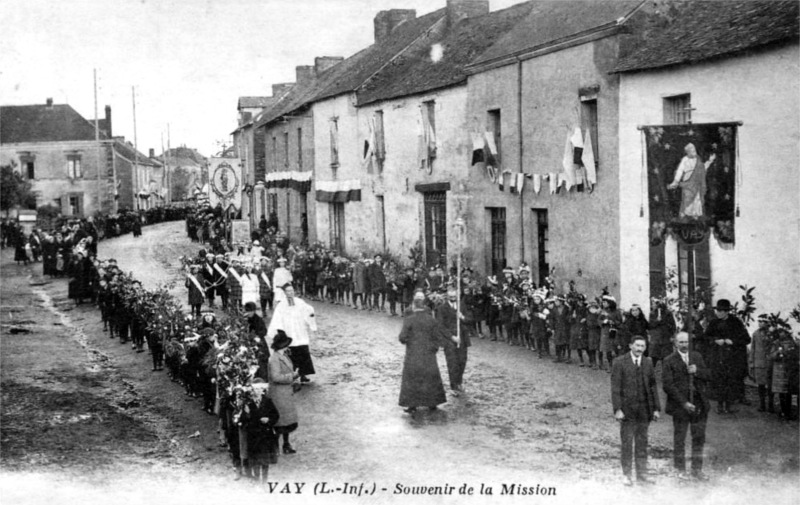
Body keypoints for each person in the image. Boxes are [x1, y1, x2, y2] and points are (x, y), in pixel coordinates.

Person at [611, 334, 661, 486]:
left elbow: (653, 387)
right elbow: (615, 388)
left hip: (644, 411)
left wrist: (656, 409)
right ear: (630, 346)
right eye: (637, 345)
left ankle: (642, 475)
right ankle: (626, 474)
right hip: (627, 411)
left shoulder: (647, 362)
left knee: (642, 443)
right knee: (627, 443)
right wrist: (618, 409)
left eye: (642, 346)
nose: (640, 349)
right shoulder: (619, 362)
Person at [662, 331, 710, 481]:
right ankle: (680, 469)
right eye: (681, 342)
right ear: (675, 343)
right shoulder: (669, 360)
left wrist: (698, 371)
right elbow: (668, 386)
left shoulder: (697, 357)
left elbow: (709, 375)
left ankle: (697, 469)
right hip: (680, 405)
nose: (684, 345)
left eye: (687, 342)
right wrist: (684, 403)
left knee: (698, 438)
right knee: (680, 437)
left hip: (699, 404)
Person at [398, 291, 458, 413]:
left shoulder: (409, 320)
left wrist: (409, 342)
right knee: (431, 377)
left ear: (414, 306)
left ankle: (412, 404)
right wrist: (434, 348)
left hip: (413, 353)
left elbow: (402, 337)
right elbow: (438, 337)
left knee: (412, 378)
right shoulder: (431, 320)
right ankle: (432, 402)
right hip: (429, 353)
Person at [702, 299, 750, 414]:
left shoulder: (736, 322)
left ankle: (729, 405)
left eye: (721, 311)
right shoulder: (713, 323)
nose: (718, 313)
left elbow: (747, 339)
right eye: (717, 310)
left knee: (730, 381)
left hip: (732, 358)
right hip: (718, 356)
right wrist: (715, 341)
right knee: (719, 380)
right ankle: (719, 405)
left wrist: (732, 341)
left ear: (726, 311)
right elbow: (705, 337)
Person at [267, 284, 317, 383]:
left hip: (300, 332)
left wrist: (311, 322)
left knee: (303, 353)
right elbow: (277, 319)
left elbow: (309, 310)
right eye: (288, 291)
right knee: (291, 355)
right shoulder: (281, 305)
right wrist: (280, 331)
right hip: (289, 332)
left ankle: (303, 374)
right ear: (285, 293)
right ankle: (292, 374)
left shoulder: (300, 302)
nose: (290, 293)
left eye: (292, 291)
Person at [236, 378, 280, 481]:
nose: (258, 391)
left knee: (265, 461)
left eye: (260, 388)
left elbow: (276, 415)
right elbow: (243, 421)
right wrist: (247, 414)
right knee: (255, 461)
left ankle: (264, 480)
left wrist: (269, 419)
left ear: (264, 390)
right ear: (252, 390)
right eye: (255, 389)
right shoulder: (248, 404)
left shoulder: (268, 401)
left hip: (265, 436)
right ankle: (257, 479)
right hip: (254, 436)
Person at [268, 330, 300, 454]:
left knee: (286, 422)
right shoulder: (275, 359)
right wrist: (292, 376)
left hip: (285, 393)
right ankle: (275, 448)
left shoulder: (283, 356)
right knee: (280, 422)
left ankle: (286, 445)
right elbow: (275, 377)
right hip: (279, 394)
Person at [435, 288, 471, 396]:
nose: (452, 298)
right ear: (447, 297)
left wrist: (462, 317)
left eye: (454, 296)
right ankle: (453, 386)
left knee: (462, 361)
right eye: (450, 297)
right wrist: (451, 337)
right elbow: (440, 326)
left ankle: (459, 382)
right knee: (452, 363)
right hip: (449, 340)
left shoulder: (462, 306)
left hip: (462, 338)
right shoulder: (441, 308)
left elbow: (470, 319)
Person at [668, 143, 715, 219]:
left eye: (694, 150)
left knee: (696, 198)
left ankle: (695, 214)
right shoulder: (685, 159)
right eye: (692, 151)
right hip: (687, 181)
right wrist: (676, 181)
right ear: (688, 152)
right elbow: (680, 170)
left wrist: (710, 161)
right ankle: (686, 212)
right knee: (687, 197)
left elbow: (703, 168)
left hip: (697, 183)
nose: (694, 152)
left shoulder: (698, 159)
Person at [750, 314, 774, 412]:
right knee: (761, 385)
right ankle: (762, 404)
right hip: (759, 363)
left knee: (771, 385)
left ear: (767, 323)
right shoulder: (755, 334)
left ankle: (771, 405)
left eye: (762, 321)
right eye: (759, 321)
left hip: (769, 363)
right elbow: (753, 349)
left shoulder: (771, 333)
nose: (760, 323)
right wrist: (752, 363)